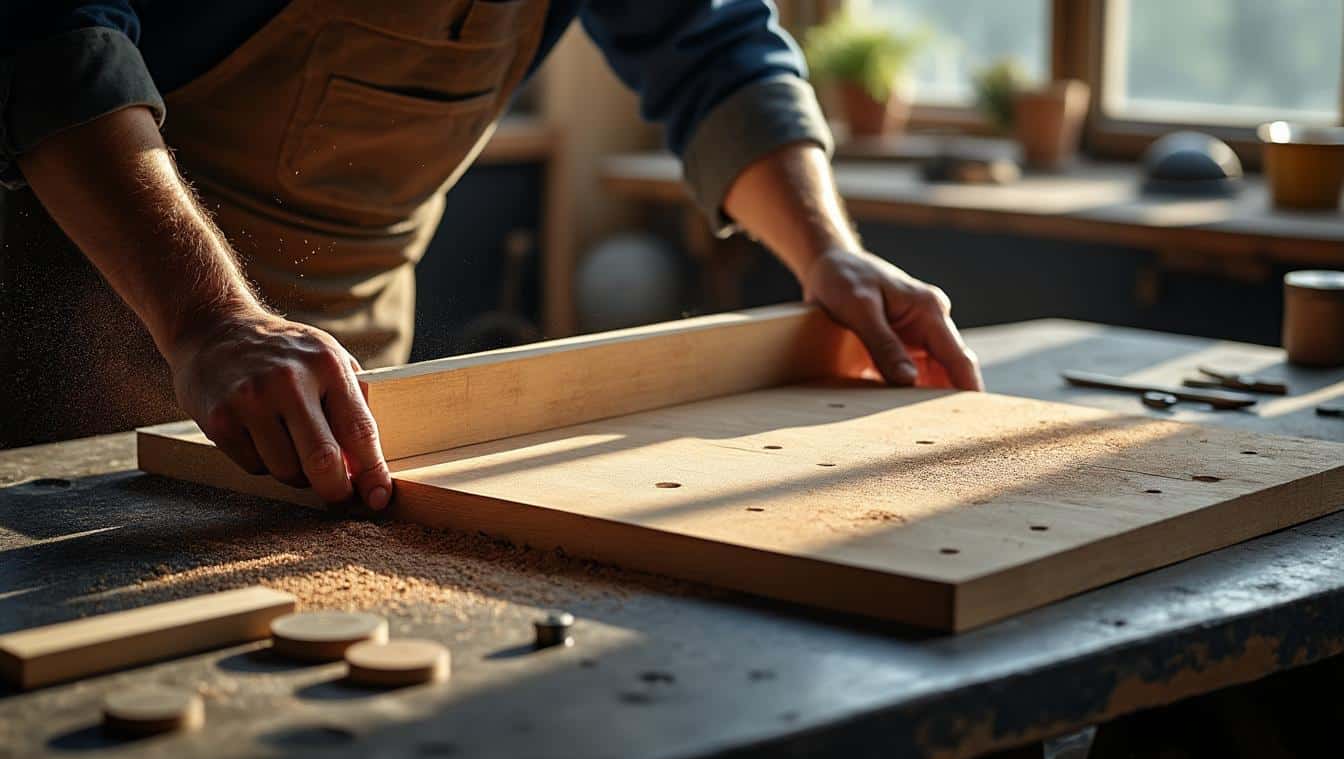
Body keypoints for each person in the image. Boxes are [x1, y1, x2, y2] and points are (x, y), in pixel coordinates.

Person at [0, 1, 982, 510]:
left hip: (354, 349)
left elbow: (717, 47)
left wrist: (829, 253)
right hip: (99, 299)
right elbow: (54, 36)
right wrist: (210, 317)